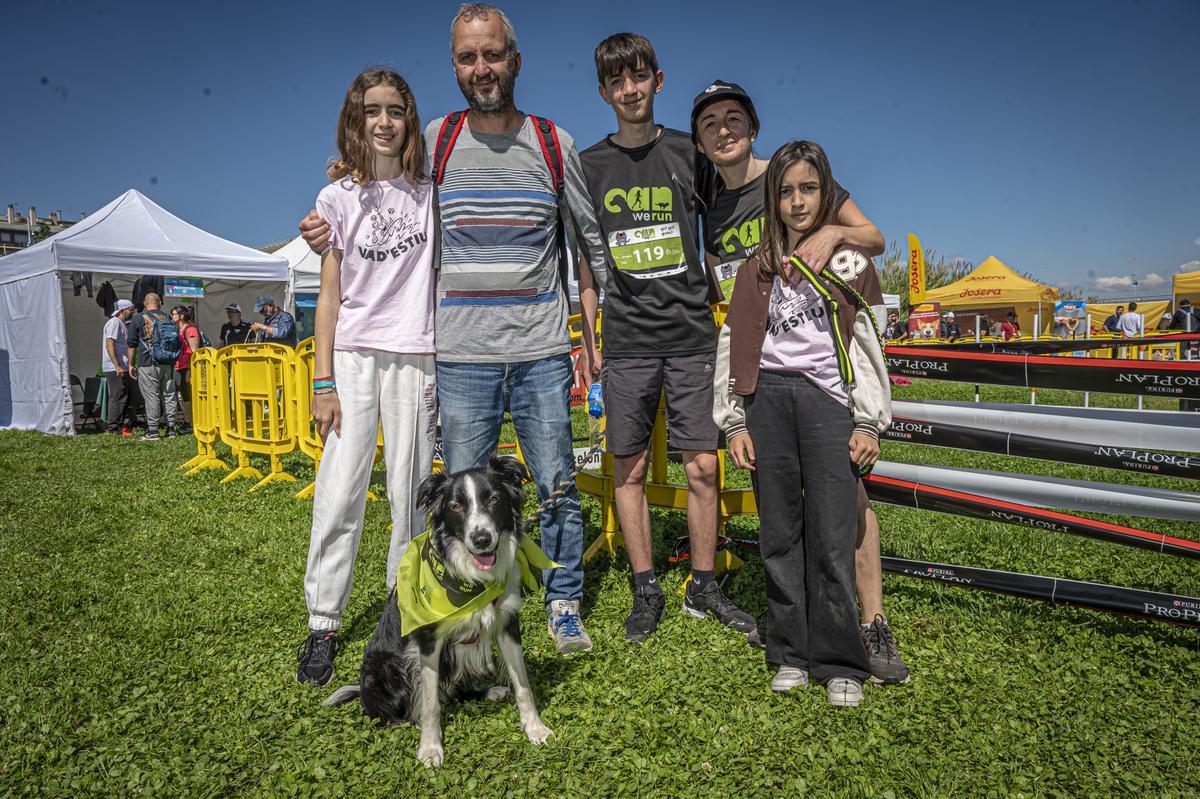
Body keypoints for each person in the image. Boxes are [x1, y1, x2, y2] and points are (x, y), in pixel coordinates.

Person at [299, 3, 610, 655]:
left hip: (541, 351)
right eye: (468, 58)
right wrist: (324, 219)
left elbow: (587, 242)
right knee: (461, 498)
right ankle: (471, 603)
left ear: (514, 60)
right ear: (455, 66)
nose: (481, 68)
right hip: (460, 356)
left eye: (492, 54)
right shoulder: (436, 139)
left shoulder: (556, 144)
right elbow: (375, 186)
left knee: (555, 480)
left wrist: (593, 335)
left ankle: (563, 602)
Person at [691, 79, 908, 684]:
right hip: (767, 402)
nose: (797, 200)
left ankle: (843, 658)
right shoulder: (754, 269)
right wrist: (733, 419)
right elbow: (731, 345)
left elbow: (867, 346)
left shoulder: (846, 262)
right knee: (780, 532)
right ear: (773, 200)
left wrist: (868, 419)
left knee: (833, 530)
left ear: (825, 194)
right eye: (786, 192)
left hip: (828, 401)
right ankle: (789, 651)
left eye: (809, 190)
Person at [575, 34, 754, 643]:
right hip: (625, 341)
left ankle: (704, 586)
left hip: (692, 336)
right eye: (617, 81)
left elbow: (732, 214)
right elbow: (588, 260)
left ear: (658, 79)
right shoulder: (590, 165)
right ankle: (645, 589)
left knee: (703, 465)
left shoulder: (689, 151)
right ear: (604, 91)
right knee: (628, 469)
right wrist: (592, 335)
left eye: (639, 76)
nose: (630, 89)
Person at [296, 68, 439, 687]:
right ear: (354, 123)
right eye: (371, 112)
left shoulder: (432, 191)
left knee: (412, 493)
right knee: (339, 491)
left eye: (395, 111)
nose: (384, 123)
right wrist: (321, 381)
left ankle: (399, 609)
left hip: (416, 354)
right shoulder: (336, 201)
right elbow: (328, 298)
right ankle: (324, 620)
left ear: (409, 120)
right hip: (352, 357)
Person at [126, 292, 180, 440]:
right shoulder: (167, 318)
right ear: (160, 303)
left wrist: (131, 364)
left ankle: (153, 430)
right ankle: (171, 429)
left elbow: (131, 343)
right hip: (168, 362)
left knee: (152, 396)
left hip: (147, 363)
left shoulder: (138, 317)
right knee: (169, 395)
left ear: (145, 303)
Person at [102, 299, 136, 435]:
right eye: (131, 310)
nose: (133, 312)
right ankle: (113, 428)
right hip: (115, 367)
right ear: (123, 310)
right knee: (117, 396)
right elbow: (109, 344)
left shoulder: (120, 323)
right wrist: (117, 365)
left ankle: (119, 425)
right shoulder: (114, 322)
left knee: (124, 396)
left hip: (122, 366)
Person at [171, 305, 202, 427]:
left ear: (181, 316)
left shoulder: (190, 330)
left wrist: (190, 369)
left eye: (174, 314)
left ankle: (189, 422)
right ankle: (187, 420)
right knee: (182, 396)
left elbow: (195, 353)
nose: (172, 316)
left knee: (187, 396)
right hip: (178, 367)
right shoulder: (179, 330)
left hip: (187, 369)